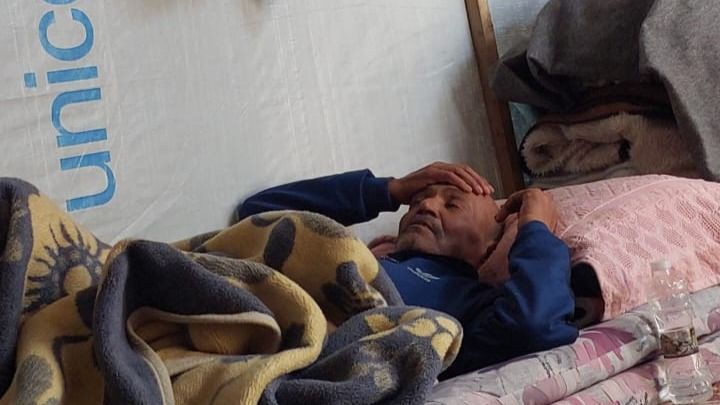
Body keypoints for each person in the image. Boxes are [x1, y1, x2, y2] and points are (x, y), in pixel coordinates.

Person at [235, 162, 578, 379]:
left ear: (491, 246)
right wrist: (389, 189)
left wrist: (534, 228)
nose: (426, 205)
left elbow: (534, 323)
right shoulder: (366, 256)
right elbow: (257, 215)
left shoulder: (470, 303)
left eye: (453, 204)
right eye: (416, 201)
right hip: (242, 303)